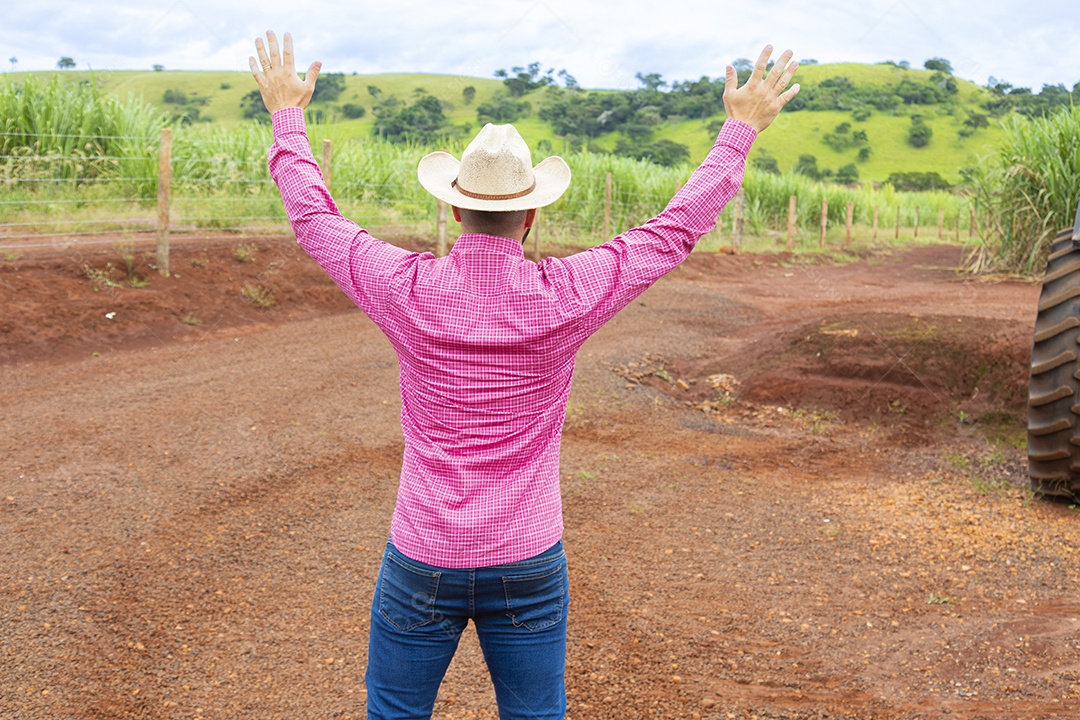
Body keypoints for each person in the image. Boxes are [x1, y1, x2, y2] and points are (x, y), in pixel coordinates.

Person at [249, 30, 799, 720]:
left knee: (393, 712)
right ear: (533, 214)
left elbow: (313, 218)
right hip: (528, 556)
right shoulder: (566, 295)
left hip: (422, 553)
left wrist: (286, 115)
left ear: (452, 206)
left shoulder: (404, 289)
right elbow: (671, 232)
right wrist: (740, 129)